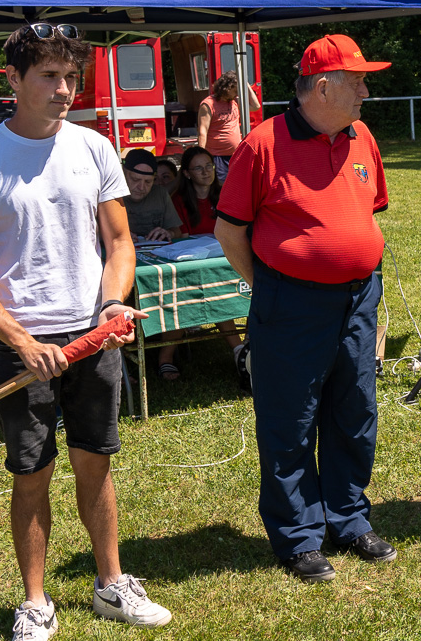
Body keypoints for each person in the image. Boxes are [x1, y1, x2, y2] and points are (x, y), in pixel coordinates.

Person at [0, 22, 171, 641]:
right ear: (13, 80)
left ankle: (111, 583)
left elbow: (120, 242)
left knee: (96, 462)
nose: (64, 88)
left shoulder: (95, 148)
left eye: (71, 76)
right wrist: (21, 340)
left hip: (93, 336)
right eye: (49, 75)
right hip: (23, 346)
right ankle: (36, 603)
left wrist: (112, 304)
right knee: (32, 473)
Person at [213, 33, 397, 583]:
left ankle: (349, 519)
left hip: (358, 300)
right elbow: (229, 230)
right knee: (290, 420)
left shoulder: (362, 137)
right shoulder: (263, 144)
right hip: (290, 303)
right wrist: (274, 286)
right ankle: (298, 536)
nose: (365, 91)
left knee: (355, 412)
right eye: (357, 81)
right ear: (322, 86)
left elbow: (366, 211)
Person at [156, 145, 243, 382]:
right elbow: (180, 236)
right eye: (198, 168)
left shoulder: (225, 194)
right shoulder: (179, 200)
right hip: (190, 265)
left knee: (219, 292)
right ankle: (166, 357)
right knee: (183, 295)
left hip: (223, 261)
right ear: (186, 173)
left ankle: (241, 350)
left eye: (209, 166)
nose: (206, 172)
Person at [199, 72, 261, 180]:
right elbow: (202, 131)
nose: (237, 94)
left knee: (236, 184)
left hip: (235, 155)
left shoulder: (235, 101)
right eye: (235, 90)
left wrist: (245, 83)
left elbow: (256, 106)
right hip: (217, 157)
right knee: (221, 186)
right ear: (228, 88)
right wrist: (200, 156)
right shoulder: (208, 104)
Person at [121, 148, 183, 242]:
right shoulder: (110, 195)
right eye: (135, 180)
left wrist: (169, 233)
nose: (141, 187)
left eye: (148, 182)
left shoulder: (160, 194)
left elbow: (177, 231)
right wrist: (117, 235)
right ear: (123, 174)